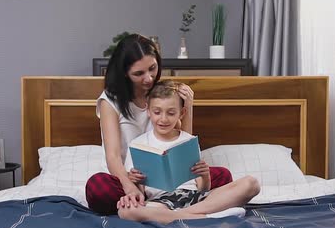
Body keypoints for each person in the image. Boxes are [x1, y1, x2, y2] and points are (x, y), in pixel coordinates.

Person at [85, 34, 233, 215]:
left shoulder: (161, 93)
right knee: (98, 187)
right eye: (139, 73)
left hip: (171, 179)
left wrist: (188, 106)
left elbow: (182, 144)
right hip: (132, 179)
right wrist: (130, 187)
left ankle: (156, 208)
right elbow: (113, 157)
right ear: (124, 72)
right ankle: (178, 206)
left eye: (152, 68)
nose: (148, 78)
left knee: (223, 175)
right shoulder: (110, 101)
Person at [118, 80, 260, 224]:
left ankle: (181, 215)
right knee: (125, 211)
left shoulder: (188, 140)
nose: (163, 119)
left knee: (251, 183)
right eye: (157, 112)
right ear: (148, 111)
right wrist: (135, 181)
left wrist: (205, 175)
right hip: (160, 203)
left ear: (182, 113)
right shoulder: (137, 145)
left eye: (171, 113)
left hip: (195, 198)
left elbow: (203, 188)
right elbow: (140, 194)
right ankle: (206, 216)